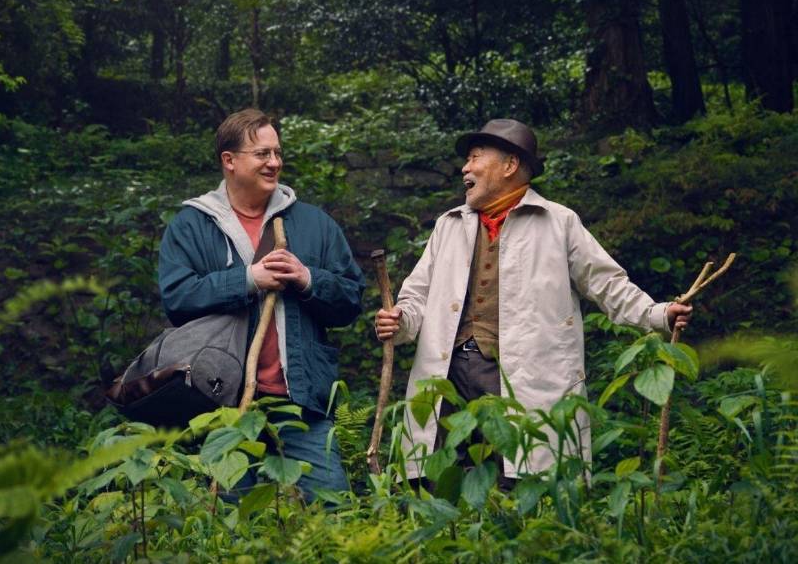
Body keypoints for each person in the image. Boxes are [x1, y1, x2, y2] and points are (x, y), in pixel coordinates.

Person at [375, 118, 692, 481]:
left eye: (476, 157)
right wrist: (400, 322)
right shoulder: (448, 225)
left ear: (509, 166)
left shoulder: (559, 222)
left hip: (517, 373)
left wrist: (658, 315)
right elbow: (416, 296)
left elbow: (609, 285)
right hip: (447, 374)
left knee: (519, 477)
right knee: (438, 478)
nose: (465, 167)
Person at [158, 108, 365, 498]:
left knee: (333, 507)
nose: (274, 163)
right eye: (262, 154)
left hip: (300, 401)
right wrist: (248, 280)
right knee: (231, 521)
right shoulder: (191, 225)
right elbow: (177, 298)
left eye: (277, 153)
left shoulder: (314, 224)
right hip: (222, 402)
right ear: (229, 161)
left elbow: (351, 300)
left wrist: (308, 279)